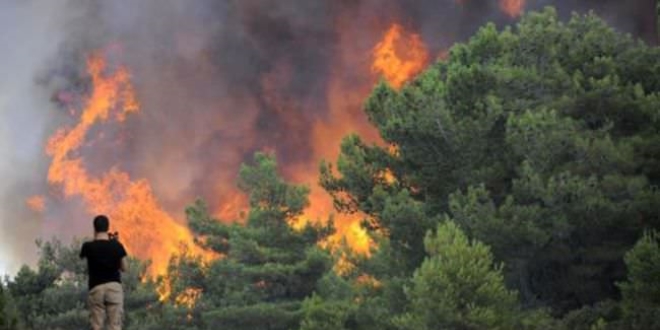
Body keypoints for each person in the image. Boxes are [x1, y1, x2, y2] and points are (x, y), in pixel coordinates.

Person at [80, 215, 128, 330]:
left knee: (96, 325)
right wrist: (114, 244)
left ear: (94, 228)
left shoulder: (88, 247)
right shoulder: (117, 246)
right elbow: (125, 268)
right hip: (114, 288)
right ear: (108, 227)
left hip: (96, 288)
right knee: (115, 325)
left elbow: (83, 262)